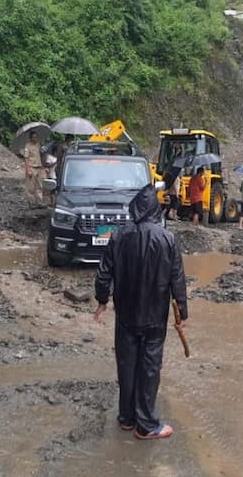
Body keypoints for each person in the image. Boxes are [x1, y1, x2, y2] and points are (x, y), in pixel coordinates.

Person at [94, 184, 189, 440]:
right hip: (154, 317)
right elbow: (177, 278)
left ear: (135, 209)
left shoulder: (118, 236)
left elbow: (104, 273)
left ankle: (127, 417)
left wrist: (102, 301)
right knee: (149, 368)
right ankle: (145, 425)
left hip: (126, 314)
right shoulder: (167, 239)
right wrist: (183, 314)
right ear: (156, 210)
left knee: (126, 364)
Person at [23, 131, 43, 205]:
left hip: (39, 167)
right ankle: (31, 202)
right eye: (34, 137)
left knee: (39, 186)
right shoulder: (27, 146)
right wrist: (28, 170)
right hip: (31, 167)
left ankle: (39, 202)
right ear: (30, 138)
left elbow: (41, 154)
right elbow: (26, 158)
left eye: (36, 137)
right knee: (31, 187)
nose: (35, 138)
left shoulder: (38, 145)